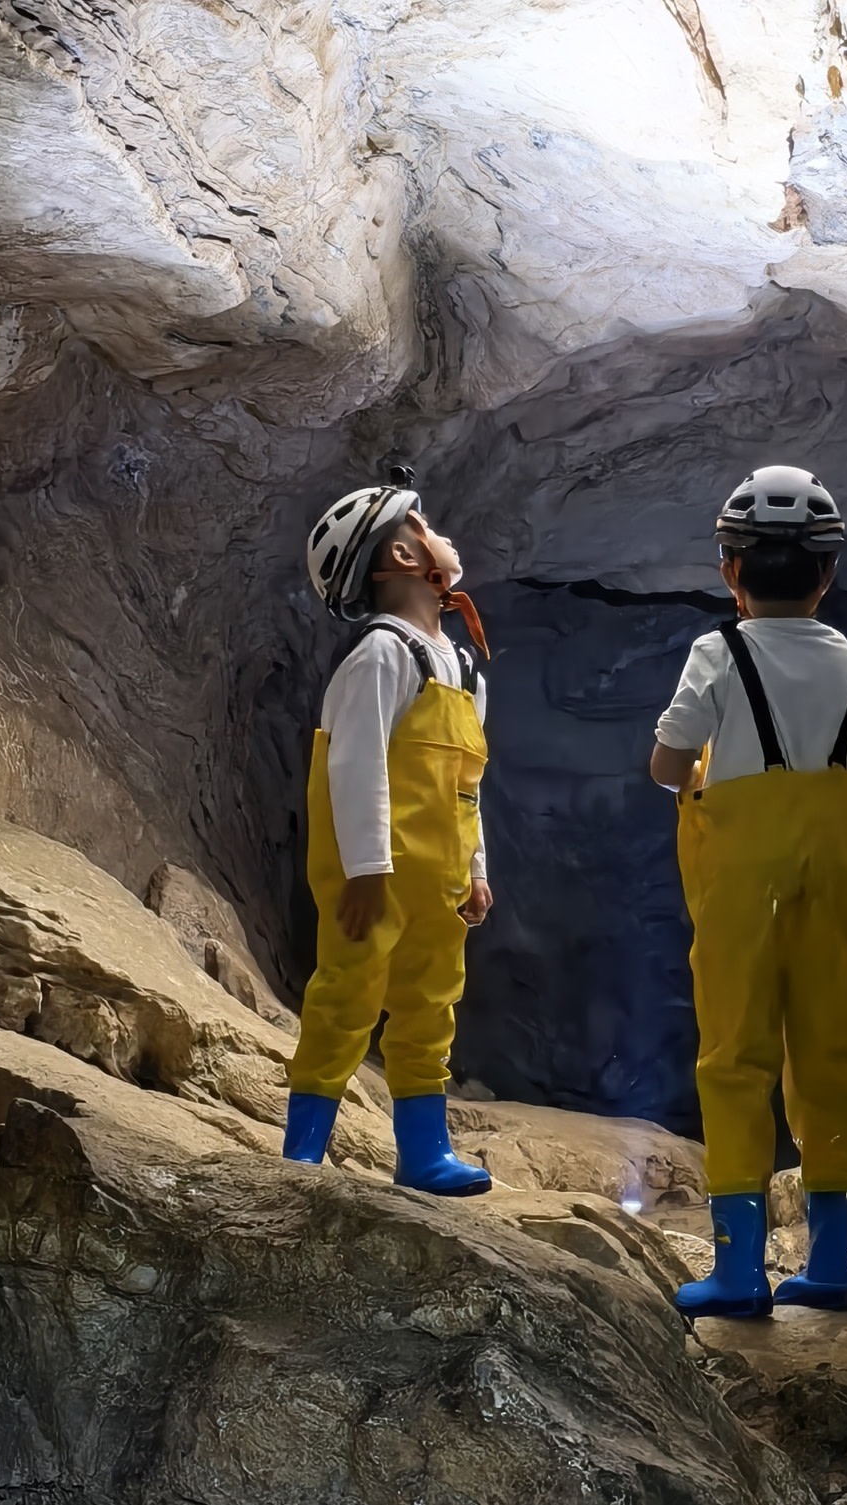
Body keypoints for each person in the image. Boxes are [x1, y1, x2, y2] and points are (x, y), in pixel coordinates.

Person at [651, 466, 847, 1318]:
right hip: (837, 869)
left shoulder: (717, 653)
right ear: (829, 573)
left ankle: (740, 1270)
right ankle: (831, 1264)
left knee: (734, 1057)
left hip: (742, 879)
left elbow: (667, 765)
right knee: (829, 1055)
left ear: (730, 570)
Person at [283, 469, 496, 1195]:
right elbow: (354, 764)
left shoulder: (464, 667)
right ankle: (304, 1149)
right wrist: (367, 868)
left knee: (430, 1007)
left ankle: (423, 1150)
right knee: (346, 995)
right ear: (403, 557)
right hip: (374, 876)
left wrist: (475, 866)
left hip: (436, 878)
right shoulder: (381, 655)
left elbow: (467, 782)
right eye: (422, 523)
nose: (437, 532)